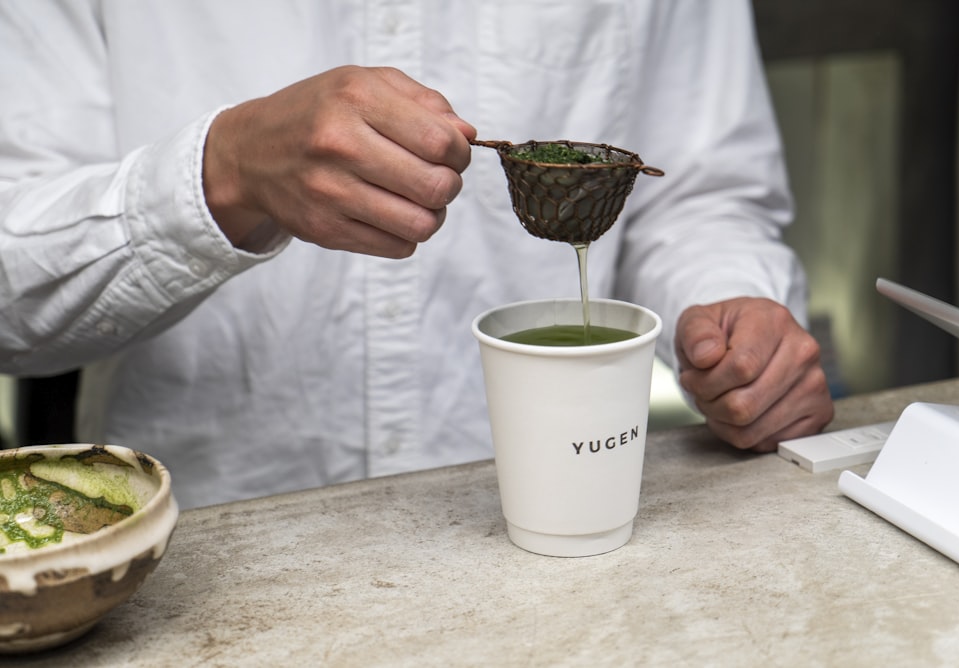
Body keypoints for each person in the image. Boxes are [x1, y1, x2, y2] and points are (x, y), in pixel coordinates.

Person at [0, 1, 833, 509]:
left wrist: (734, 305)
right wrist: (223, 174)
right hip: (203, 543)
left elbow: (700, 191)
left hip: (560, 518)